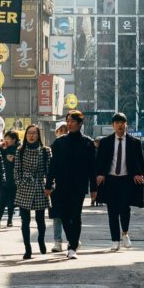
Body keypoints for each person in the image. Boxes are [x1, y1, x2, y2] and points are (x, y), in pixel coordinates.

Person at [45, 110, 98, 258]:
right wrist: (48, 185)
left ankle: (72, 248)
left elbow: (92, 168)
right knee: (64, 215)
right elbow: (53, 166)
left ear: (80, 123)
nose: (69, 124)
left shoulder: (87, 143)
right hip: (61, 186)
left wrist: (94, 188)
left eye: (73, 121)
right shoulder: (59, 142)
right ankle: (73, 242)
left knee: (76, 215)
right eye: (68, 121)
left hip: (79, 186)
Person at [93, 113, 144, 251]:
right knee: (112, 211)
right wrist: (100, 175)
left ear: (126, 125)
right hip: (110, 180)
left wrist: (140, 175)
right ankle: (115, 240)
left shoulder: (134, 142)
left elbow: (140, 162)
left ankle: (125, 234)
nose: (120, 125)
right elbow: (100, 161)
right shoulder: (105, 142)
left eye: (122, 123)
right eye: (117, 123)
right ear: (113, 125)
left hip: (126, 180)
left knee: (124, 209)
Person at [11, 124, 52, 259]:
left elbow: (49, 171)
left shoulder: (46, 151)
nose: (31, 135)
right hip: (25, 186)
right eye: (29, 133)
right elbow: (16, 170)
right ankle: (27, 248)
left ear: (38, 135)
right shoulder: (20, 150)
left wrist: (49, 185)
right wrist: (19, 183)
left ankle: (41, 239)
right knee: (25, 220)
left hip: (40, 186)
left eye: (34, 133)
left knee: (40, 219)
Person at [51, 121, 71, 247]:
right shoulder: (51, 147)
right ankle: (57, 241)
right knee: (57, 216)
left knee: (70, 215)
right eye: (61, 130)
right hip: (56, 186)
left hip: (70, 186)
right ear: (56, 132)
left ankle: (71, 240)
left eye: (65, 130)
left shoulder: (73, 146)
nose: (63, 132)